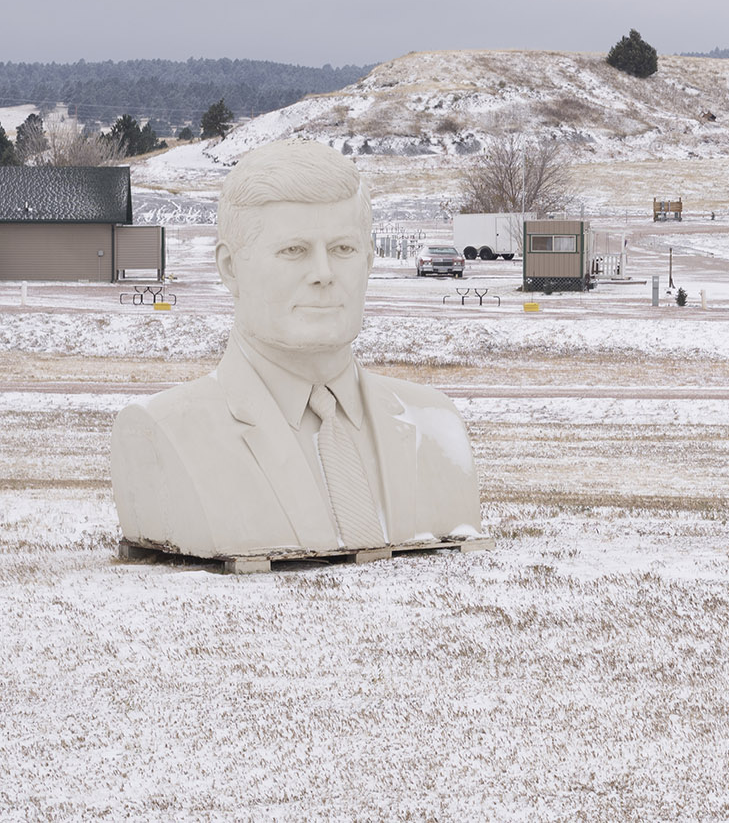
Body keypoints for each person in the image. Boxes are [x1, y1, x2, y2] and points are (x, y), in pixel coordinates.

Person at [111, 141, 481, 561]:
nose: (323, 274)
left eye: (343, 249)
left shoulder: (437, 425)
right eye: (294, 250)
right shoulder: (162, 431)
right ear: (230, 268)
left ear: (369, 259)